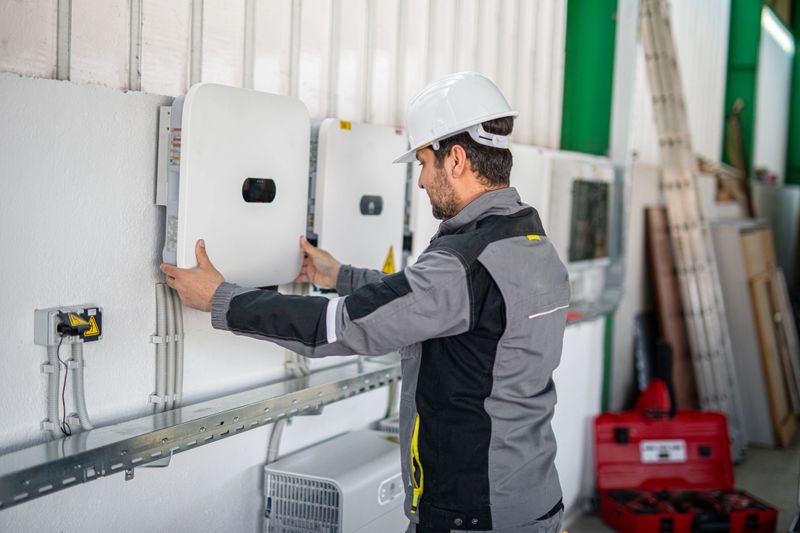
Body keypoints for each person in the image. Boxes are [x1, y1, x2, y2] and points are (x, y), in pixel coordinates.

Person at [162, 72, 569, 533]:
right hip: (533, 500)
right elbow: (424, 299)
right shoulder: (531, 242)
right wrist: (339, 275)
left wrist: (222, 299)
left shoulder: (465, 263)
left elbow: (338, 327)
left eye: (423, 162)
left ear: (455, 159)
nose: (420, 181)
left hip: (473, 514)